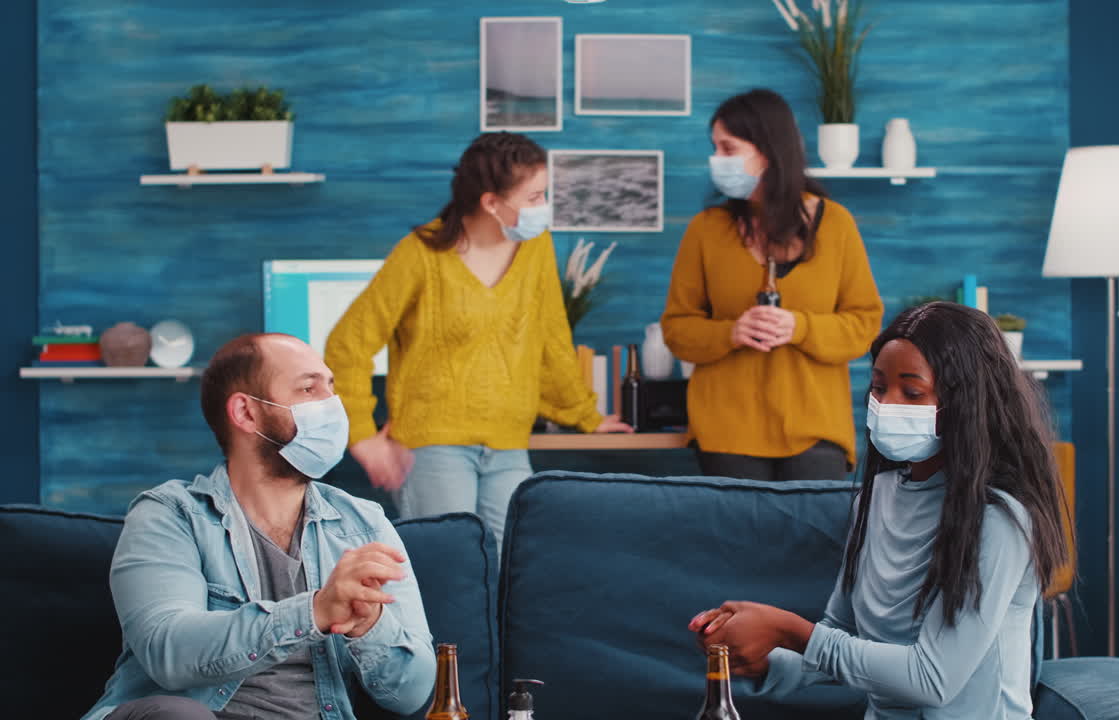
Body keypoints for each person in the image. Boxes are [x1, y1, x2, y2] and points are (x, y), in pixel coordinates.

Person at [688, 303, 1072, 719]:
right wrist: (757, 655)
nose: (886, 405)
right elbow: (843, 639)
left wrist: (788, 630)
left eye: (911, 392)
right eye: (878, 387)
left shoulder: (999, 519)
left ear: (966, 402)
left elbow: (932, 679)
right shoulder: (878, 497)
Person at [83, 333, 435, 720]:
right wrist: (314, 611)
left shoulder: (364, 523)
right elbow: (169, 653)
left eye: (330, 387)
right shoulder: (171, 515)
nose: (333, 405)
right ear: (246, 413)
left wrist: (368, 625)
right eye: (308, 388)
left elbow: (413, 694)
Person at [325, 132, 630, 542]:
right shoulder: (420, 254)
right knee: (452, 571)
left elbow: (552, 338)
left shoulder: (536, 247)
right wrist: (362, 436)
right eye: (535, 197)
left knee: (511, 573)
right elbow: (348, 343)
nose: (545, 208)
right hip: (432, 445)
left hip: (508, 445)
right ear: (492, 202)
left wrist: (585, 415)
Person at [660, 88, 883, 482]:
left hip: (816, 432)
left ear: (767, 148)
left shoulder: (836, 224)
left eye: (728, 148)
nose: (716, 160)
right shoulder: (705, 230)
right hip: (725, 433)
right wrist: (731, 332)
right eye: (714, 147)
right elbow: (677, 331)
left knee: (816, 541)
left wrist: (800, 327)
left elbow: (864, 326)